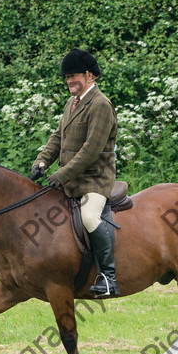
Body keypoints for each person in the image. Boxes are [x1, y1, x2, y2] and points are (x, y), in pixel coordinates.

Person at [31, 49, 119, 297]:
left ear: (90, 75)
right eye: (67, 76)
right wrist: (42, 161)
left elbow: (91, 151)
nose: (70, 80)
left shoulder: (101, 105)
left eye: (75, 75)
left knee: (90, 217)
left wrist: (61, 175)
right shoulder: (72, 103)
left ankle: (108, 277)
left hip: (94, 181)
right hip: (72, 180)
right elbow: (57, 137)